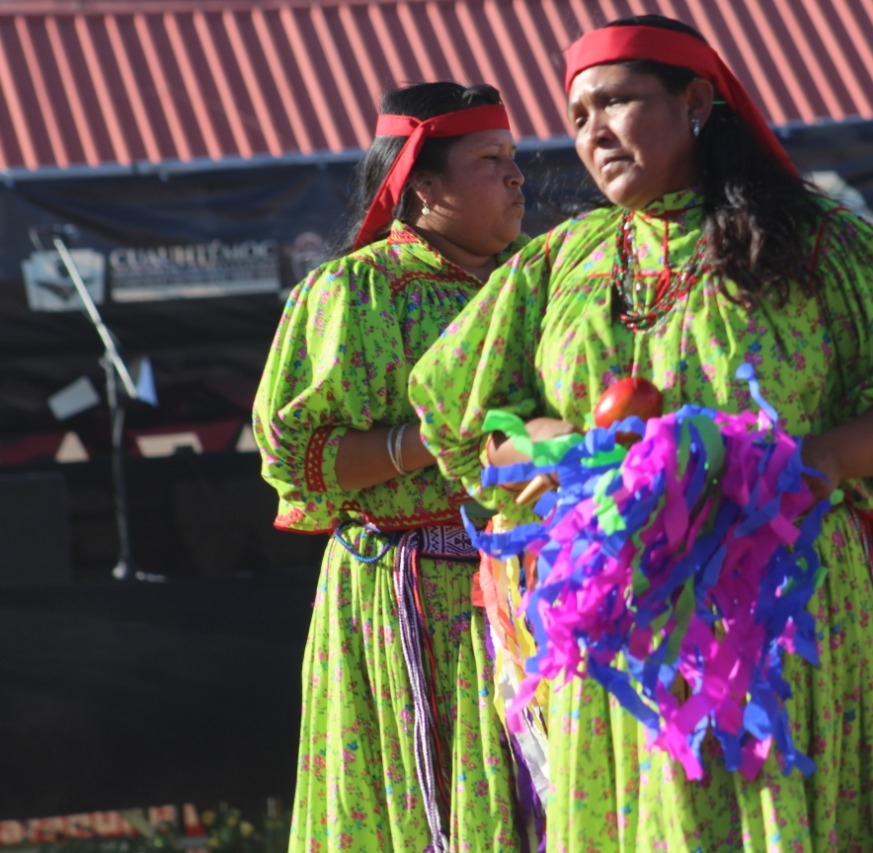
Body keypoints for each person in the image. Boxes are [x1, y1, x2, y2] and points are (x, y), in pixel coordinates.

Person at [407, 14, 873, 852]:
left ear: (696, 101)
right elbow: (466, 425)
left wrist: (817, 459)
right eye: (577, 117)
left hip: (780, 606)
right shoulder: (555, 265)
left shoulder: (818, 244)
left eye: (616, 103)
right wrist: (564, 449)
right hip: (619, 627)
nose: (593, 132)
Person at [251, 81, 530, 852]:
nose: (517, 177)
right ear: (421, 186)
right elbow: (296, 456)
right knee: (431, 805)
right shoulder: (356, 292)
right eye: (490, 159)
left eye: (514, 158)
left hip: (526, 592)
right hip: (414, 595)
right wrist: (433, 442)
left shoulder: (530, 286)